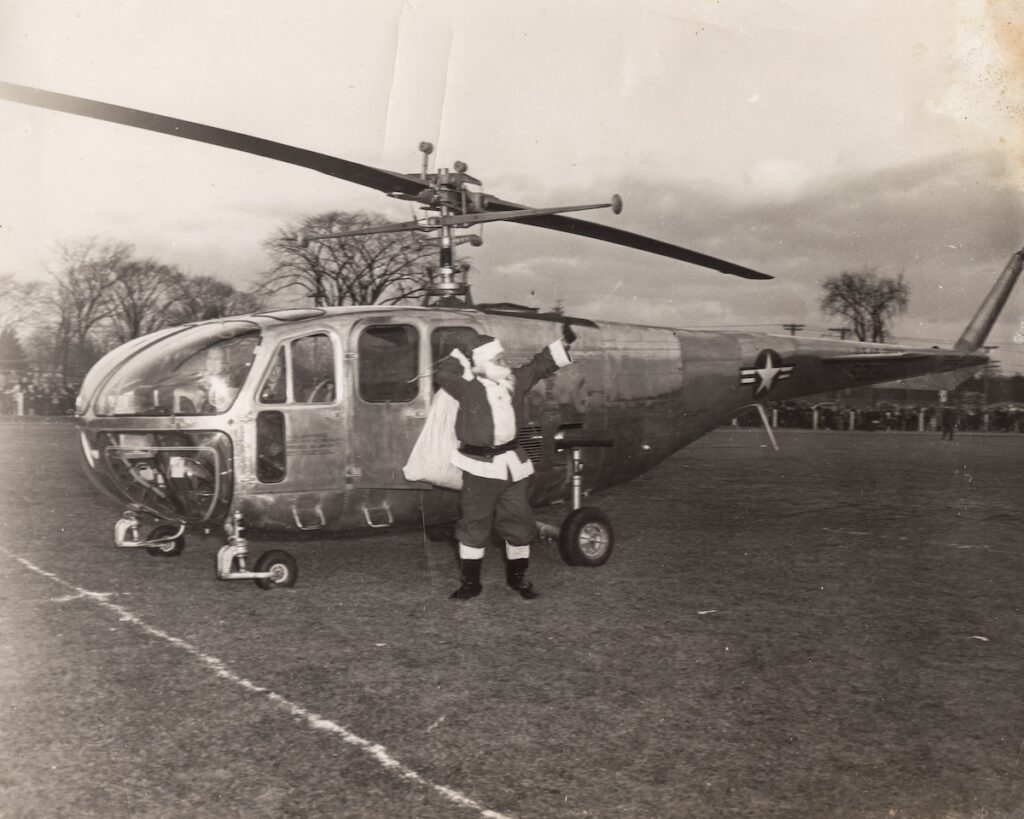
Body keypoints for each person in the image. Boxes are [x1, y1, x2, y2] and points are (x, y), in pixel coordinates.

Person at [434, 325, 575, 600]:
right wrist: (460, 351)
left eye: (503, 358)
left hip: (512, 466)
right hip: (479, 468)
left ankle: (518, 579)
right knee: (474, 524)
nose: (504, 364)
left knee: (519, 522)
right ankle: (470, 584)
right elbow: (443, 373)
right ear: (483, 363)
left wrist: (564, 344)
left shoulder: (514, 382)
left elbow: (539, 365)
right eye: (498, 360)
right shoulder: (467, 389)